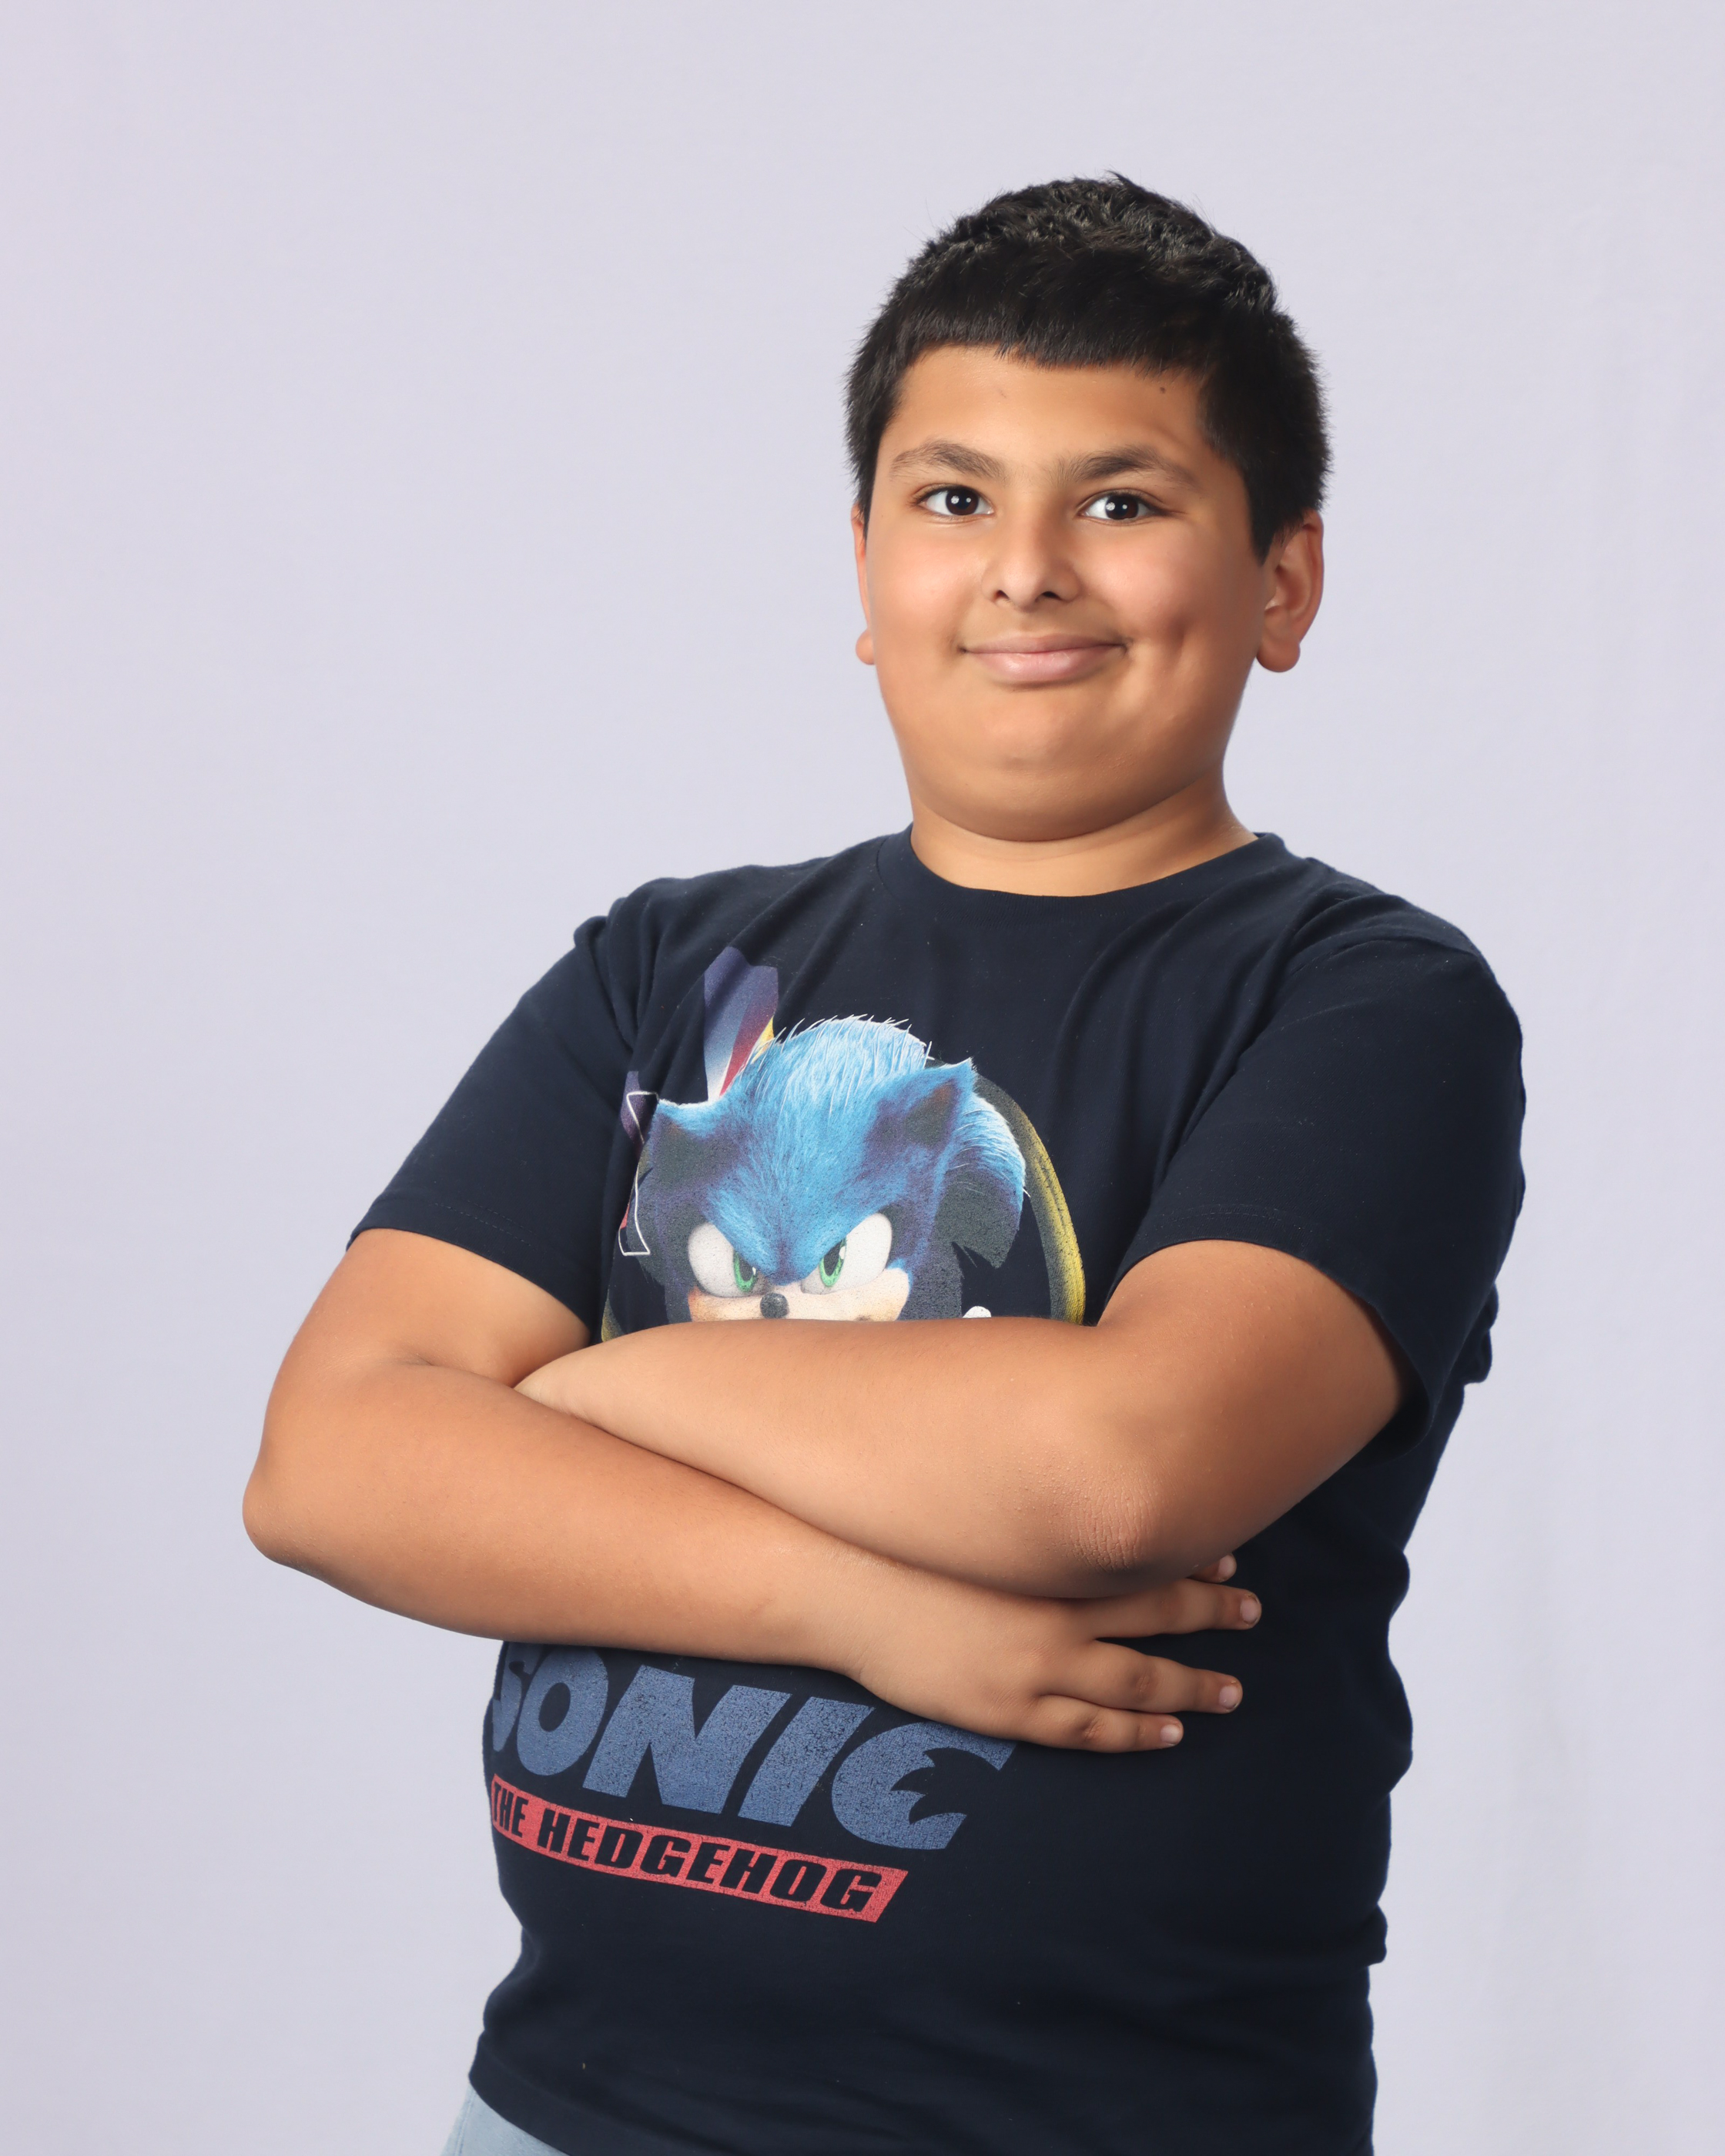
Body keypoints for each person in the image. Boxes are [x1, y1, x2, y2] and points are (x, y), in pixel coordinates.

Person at [245, 177, 1524, 2156]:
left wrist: (589, 1385)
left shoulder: (1361, 1000)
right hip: (571, 2107)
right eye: (951, 498)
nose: (1024, 570)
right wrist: (856, 1605)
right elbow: (329, 1464)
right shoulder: (663, 966)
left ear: (1282, 581)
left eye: (1120, 499)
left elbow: (1117, 1467)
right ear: (865, 566)